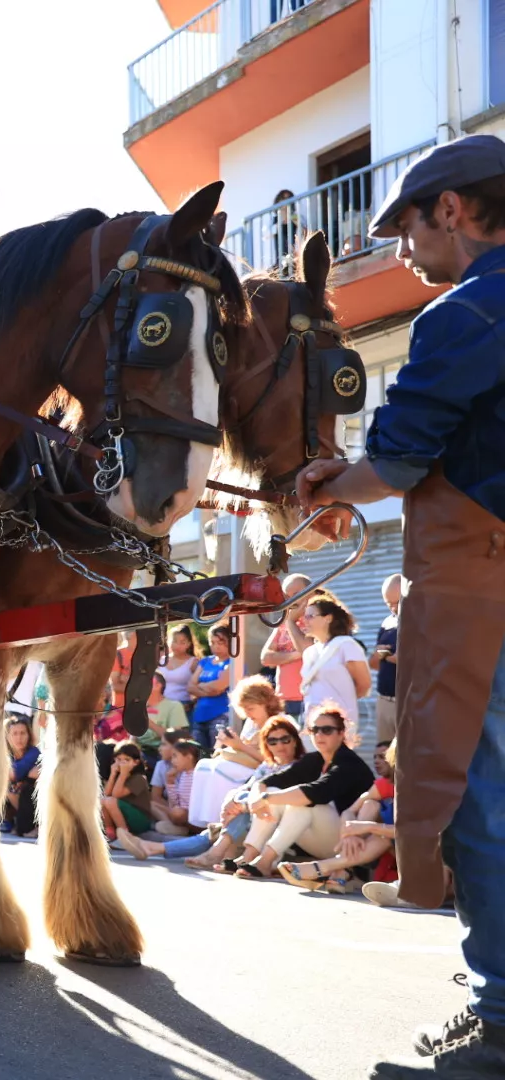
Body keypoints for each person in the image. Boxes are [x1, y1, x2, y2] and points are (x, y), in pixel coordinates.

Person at [298, 135, 505, 1077]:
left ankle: (501, 1017)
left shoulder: (464, 314)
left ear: (452, 211)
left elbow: (404, 457)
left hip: (482, 595)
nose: (401, 254)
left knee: (480, 797)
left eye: (407, 230)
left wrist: (328, 482)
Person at [117, 714, 306, 866]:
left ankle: (210, 852)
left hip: (277, 826)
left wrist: (241, 804)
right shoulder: (267, 766)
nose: (279, 746)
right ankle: (151, 848)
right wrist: (232, 802)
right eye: (273, 742)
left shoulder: (303, 765)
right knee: (214, 829)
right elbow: (248, 787)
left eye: (285, 739)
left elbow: (279, 796)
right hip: (251, 822)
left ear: (295, 741)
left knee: (229, 821)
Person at [230, 703, 375, 879]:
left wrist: (265, 799)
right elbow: (268, 781)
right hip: (321, 839)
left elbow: (316, 793)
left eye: (327, 730)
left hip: (348, 845)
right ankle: (249, 856)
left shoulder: (349, 763)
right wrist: (258, 798)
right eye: (315, 730)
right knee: (276, 792)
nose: (319, 735)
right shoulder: (314, 760)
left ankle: (265, 861)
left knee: (305, 804)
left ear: (341, 733)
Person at [278, 739, 400, 894]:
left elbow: (409, 831)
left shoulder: (425, 788)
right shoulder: (387, 784)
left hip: (410, 848)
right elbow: (349, 811)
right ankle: (341, 870)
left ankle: (326, 868)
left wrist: (368, 827)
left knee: (383, 836)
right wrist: (351, 834)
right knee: (370, 804)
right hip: (380, 845)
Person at [188, 676, 282, 828]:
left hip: (263, 772)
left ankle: (220, 823)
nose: (247, 713)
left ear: (266, 703)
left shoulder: (278, 722)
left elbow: (275, 760)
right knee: (203, 765)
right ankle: (201, 824)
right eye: (244, 709)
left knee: (220, 769)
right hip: (247, 765)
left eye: (251, 708)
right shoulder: (252, 722)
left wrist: (239, 746)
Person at [298, 594, 371, 743]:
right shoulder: (310, 652)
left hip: (338, 724)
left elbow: (364, 684)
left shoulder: (346, 645)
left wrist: (342, 701)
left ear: (328, 618)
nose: (304, 621)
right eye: (304, 616)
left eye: (310, 616)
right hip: (312, 723)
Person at [260, 573, 314, 717]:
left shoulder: (316, 620)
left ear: (312, 592)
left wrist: (282, 656)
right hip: (283, 700)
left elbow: (309, 650)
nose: (291, 600)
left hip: (308, 698)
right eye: (287, 596)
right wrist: (297, 654)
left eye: (296, 594)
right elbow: (266, 658)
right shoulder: (285, 621)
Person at [186, 625, 234, 751]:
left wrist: (200, 686)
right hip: (199, 716)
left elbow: (219, 686)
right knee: (198, 754)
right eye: (212, 642)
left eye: (220, 642)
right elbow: (190, 687)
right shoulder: (206, 661)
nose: (216, 646)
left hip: (220, 716)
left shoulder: (233, 662)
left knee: (218, 753)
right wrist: (209, 689)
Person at [370, 574, 402, 745]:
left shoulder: (419, 622)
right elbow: (374, 663)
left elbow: (412, 661)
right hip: (384, 700)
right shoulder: (387, 623)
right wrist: (381, 655)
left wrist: (386, 656)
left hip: (406, 702)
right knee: (384, 754)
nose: (393, 608)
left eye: (397, 602)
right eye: (388, 603)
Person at [99, 741, 152, 841]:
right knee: (103, 800)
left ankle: (125, 836)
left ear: (136, 762)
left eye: (127, 760)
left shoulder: (139, 778)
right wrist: (113, 775)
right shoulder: (117, 777)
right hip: (123, 816)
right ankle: (110, 832)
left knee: (110, 801)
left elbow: (116, 795)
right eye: (119, 759)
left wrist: (123, 774)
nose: (122, 763)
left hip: (140, 820)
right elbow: (106, 794)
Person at [1, 715, 41, 837]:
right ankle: (9, 820)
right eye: (15, 734)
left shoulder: (33, 753)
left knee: (9, 787)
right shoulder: (8, 755)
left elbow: (13, 775)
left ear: (29, 735)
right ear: (8, 736)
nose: (19, 738)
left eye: (23, 733)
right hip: (19, 799)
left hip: (35, 799)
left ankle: (37, 825)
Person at [156, 624, 198, 713]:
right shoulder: (162, 659)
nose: (177, 645)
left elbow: (200, 687)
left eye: (182, 642)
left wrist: (192, 704)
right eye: (174, 641)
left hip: (184, 706)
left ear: (189, 644)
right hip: (162, 704)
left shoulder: (193, 662)